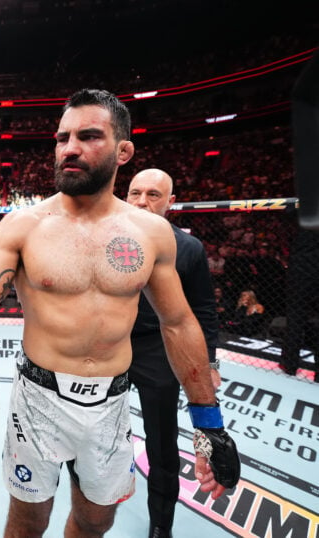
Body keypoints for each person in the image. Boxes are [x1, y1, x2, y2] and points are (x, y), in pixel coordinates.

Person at [0, 89, 240, 537]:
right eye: (62, 137)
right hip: (37, 400)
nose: (69, 148)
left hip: (111, 402)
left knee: (96, 521)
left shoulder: (151, 234)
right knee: (27, 520)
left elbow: (178, 322)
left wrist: (210, 425)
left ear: (123, 151)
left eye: (88, 136)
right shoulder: (24, 225)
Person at [125, 168, 221, 538]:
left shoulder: (189, 249)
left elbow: (204, 311)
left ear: (170, 202)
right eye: (135, 193)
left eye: (153, 194)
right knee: (91, 430)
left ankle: (161, 524)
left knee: (162, 444)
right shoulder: (105, 239)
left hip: (161, 350)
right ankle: (92, 502)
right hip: (109, 347)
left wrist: (208, 362)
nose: (143, 202)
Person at [279, 229, 319, 378]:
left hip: (300, 268)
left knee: (295, 319)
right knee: (296, 320)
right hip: (302, 264)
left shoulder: (300, 208)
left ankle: (289, 365)